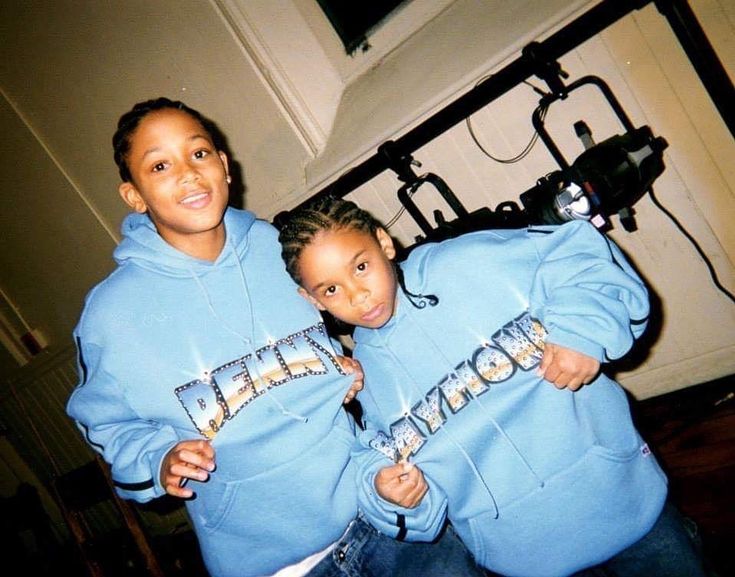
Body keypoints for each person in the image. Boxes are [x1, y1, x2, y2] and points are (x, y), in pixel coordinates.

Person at [66, 98, 486, 577]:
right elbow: (105, 424)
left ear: (224, 166)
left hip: (383, 508)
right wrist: (157, 459)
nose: (187, 173)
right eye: (160, 165)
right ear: (134, 195)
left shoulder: (277, 246)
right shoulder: (111, 315)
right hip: (278, 566)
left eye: (199, 153)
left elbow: (328, 329)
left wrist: (341, 367)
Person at [278, 196, 710, 577]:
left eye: (361, 266)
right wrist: (392, 494)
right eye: (332, 289)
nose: (358, 295)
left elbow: (578, 252)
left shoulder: (465, 262)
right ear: (313, 301)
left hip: (627, 506)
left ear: (384, 243)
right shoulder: (364, 379)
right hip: (525, 557)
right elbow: (376, 464)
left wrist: (581, 331)